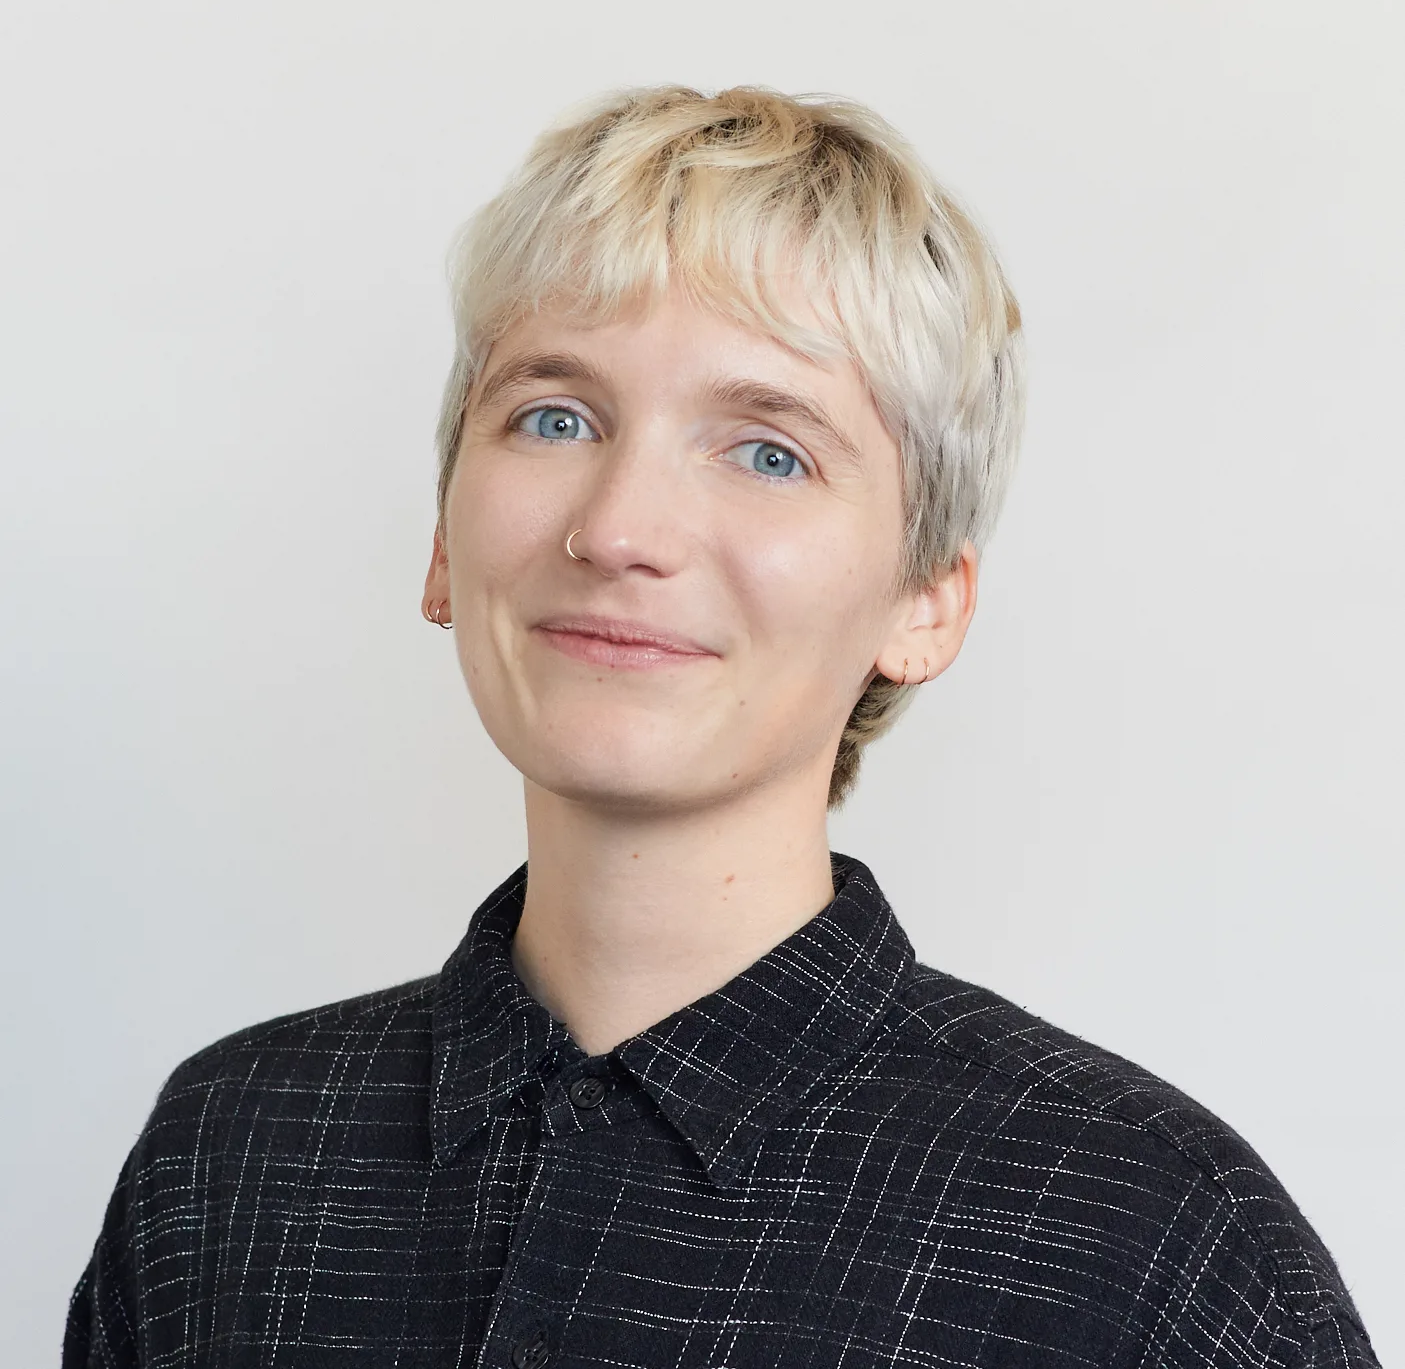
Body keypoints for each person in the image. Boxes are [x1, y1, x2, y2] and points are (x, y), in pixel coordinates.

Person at [64, 85, 1377, 1368]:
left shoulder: (1145, 1238)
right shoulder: (226, 1159)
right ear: (445, 545)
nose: (619, 529)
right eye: (554, 417)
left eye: (768, 451)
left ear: (923, 601)